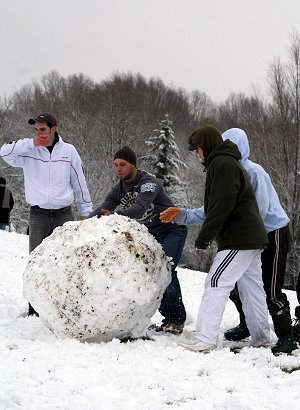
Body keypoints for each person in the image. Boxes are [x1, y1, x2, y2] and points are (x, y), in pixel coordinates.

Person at [160, 125, 271, 352]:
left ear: (207, 145)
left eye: (197, 148)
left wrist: (204, 238)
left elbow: (222, 205)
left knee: (215, 282)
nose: (196, 153)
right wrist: (182, 214)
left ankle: (205, 339)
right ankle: (261, 339)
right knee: (252, 289)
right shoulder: (226, 162)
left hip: (238, 238)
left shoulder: (221, 164)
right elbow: (214, 206)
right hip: (251, 237)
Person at [0, 113, 93, 316]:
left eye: (42, 129)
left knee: (65, 260)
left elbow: (79, 182)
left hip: (63, 214)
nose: (39, 133)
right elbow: (4, 153)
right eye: (36, 130)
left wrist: (85, 211)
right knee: (36, 261)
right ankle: (35, 308)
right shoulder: (28, 151)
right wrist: (30, 142)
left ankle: (63, 306)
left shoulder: (69, 152)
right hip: (38, 215)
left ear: (54, 128)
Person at [89, 146, 188, 334]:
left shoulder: (148, 182)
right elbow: (104, 208)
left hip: (172, 229)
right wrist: (85, 221)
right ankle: (167, 318)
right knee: (153, 273)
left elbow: (140, 208)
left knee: (167, 269)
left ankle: (176, 319)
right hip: (152, 234)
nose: (119, 169)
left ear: (133, 165)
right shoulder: (118, 189)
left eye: (123, 165)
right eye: (116, 165)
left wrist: (114, 215)